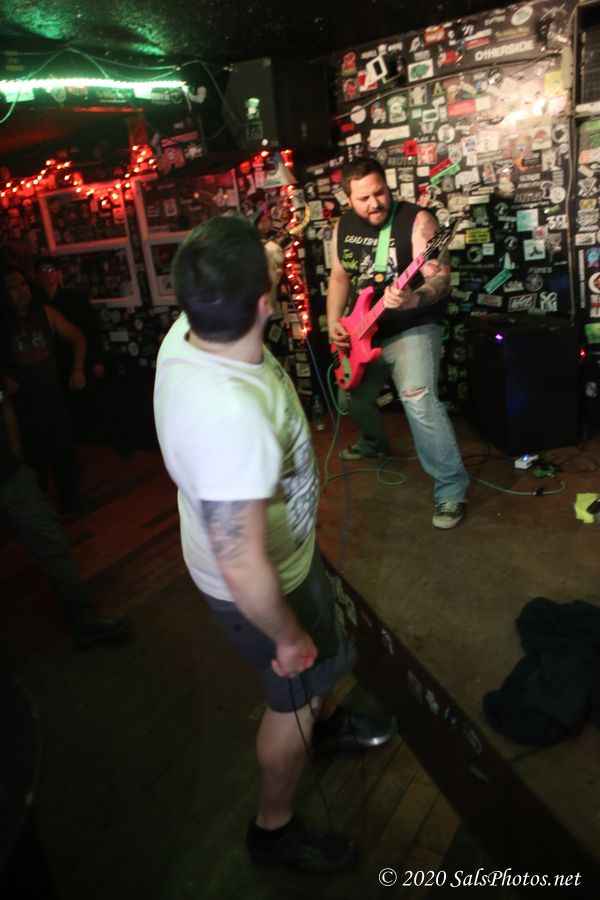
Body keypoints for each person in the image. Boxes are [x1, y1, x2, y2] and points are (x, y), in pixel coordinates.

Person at [153, 216, 396, 873]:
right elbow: (239, 558)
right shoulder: (229, 417)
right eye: (268, 265)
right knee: (293, 699)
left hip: (283, 557)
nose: (274, 256)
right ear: (262, 304)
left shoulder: (193, 327)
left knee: (320, 671)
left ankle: (324, 719)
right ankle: (274, 826)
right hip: (263, 583)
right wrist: (286, 636)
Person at [327, 157, 469, 529]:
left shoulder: (417, 221)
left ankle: (451, 490)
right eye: (363, 198)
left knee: (417, 396)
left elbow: (441, 279)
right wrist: (333, 321)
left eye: (380, 193)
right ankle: (374, 442)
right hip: (362, 331)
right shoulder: (343, 226)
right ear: (348, 200)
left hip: (412, 324)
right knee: (349, 400)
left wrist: (413, 297)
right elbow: (340, 277)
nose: (375, 203)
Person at [0, 375, 131, 648]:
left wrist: (16, 460)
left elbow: (5, 406)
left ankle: (84, 620)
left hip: (11, 479)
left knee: (52, 541)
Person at [0, 266, 90, 512]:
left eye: (23, 284)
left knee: (64, 452)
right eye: (13, 288)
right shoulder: (4, 323)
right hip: (21, 407)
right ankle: (36, 509)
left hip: (51, 398)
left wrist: (78, 369)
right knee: (32, 459)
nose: (21, 291)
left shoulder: (44, 312)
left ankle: (71, 501)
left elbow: (78, 337)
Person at [34, 256, 131, 456]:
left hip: (83, 357)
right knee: (69, 408)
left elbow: (90, 327)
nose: (47, 274)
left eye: (51, 269)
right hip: (57, 362)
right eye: (42, 270)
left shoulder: (73, 297)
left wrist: (96, 359)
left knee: (101, 403)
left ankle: (119, 444)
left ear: (58, 272)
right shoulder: (37, 304)